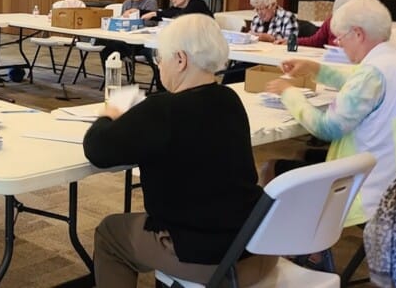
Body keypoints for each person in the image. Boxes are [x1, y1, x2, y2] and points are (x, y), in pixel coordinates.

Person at [84, 14, 276, 287]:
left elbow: (97, 149)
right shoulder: (230, 99)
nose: (159, 66)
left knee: (110, 234)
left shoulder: (162, 109)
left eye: (159, 59)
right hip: (252, 247)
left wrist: (110, 112)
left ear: (181, 59)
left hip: (205, 258)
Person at [264, 0, 396, 227]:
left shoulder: (372, 73)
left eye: (341, 38)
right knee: (303, 159)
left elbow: (326, 127)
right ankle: (316, 244)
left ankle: (305, 245)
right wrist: (315, 69)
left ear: (358, 33)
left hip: (369, 188)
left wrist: (288, 92)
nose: (339, 43)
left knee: (273, 170)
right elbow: (358, 83)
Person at [99, 0, 159, 70]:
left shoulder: (150, 3)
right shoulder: (126, 3)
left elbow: (150, 24)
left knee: (153, 55)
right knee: (106, 51)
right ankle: (110, 81)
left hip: (142, 44)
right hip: (126, 41)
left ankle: (160, 84)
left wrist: (133, 19)